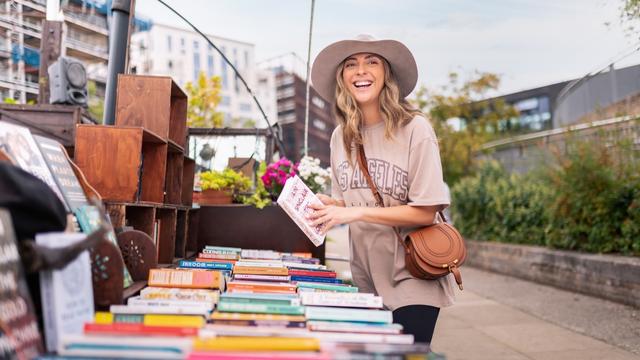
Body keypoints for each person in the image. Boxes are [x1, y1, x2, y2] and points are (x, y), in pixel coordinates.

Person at [307, 34, 455, 344]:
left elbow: (427, 210)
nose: (361, 70)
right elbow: (346, 201)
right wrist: (327, 203)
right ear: (343, 78)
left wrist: (357, 211)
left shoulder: (416, 129)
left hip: (413, 275)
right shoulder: (340, 137)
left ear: (386, 74)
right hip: (366, 279)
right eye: (351, 64)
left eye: (371, 62)